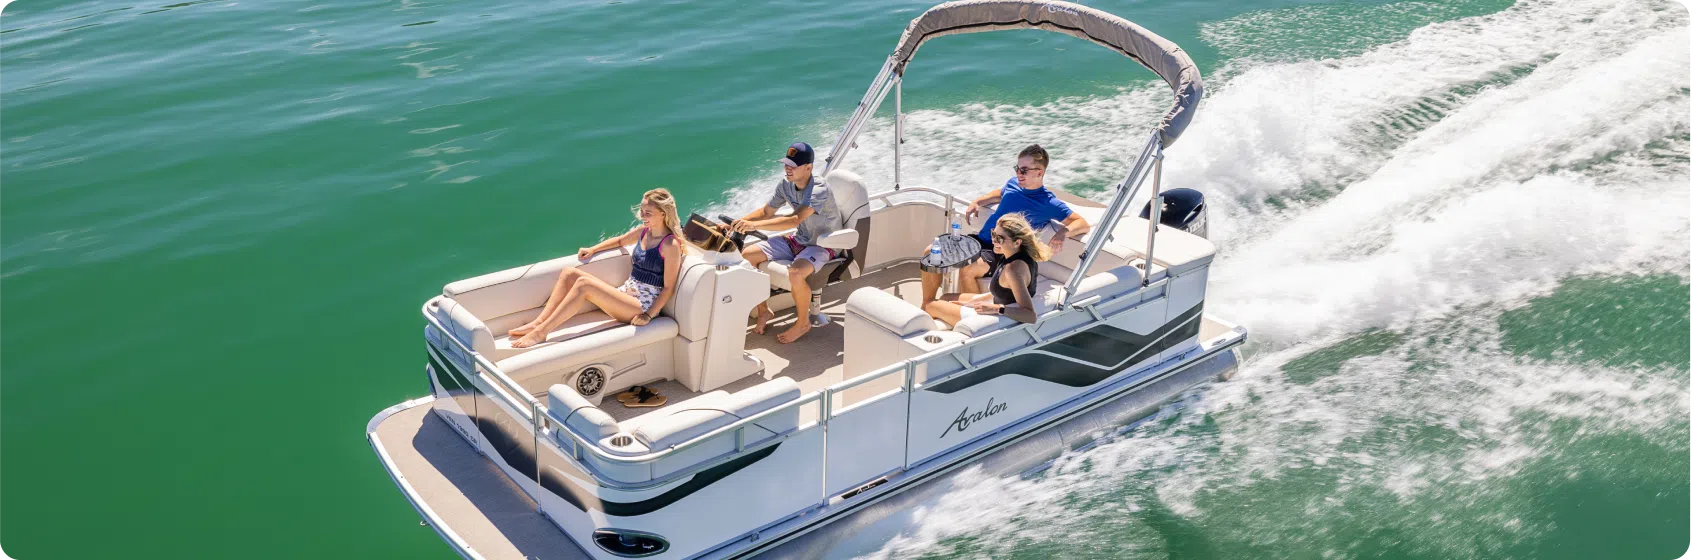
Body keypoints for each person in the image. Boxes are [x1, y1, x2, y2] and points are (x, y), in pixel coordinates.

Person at [508, 188, 688, 348]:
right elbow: (620, 241)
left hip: (641, 305)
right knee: (569, 273)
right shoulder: (643, 231)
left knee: (584, 284)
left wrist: (648, 315)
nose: (642, 216)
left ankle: (541, 333)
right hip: (625, 293)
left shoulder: (670, 244)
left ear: (663, 214)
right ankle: (537, 323)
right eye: (641, 211)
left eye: (648, 213)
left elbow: (668, 288)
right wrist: (593, 249)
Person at [920, 144, 1090, 305]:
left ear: (1039, 172)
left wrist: (1062, 233)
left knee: (968, 268)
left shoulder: (1049, 202)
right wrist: (978, 201)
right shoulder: (1013, 183)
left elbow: (1081, 223)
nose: (1019, 174)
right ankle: (927, 303)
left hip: (1003, 252)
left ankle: (974, 317)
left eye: (1024, 170)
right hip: (981, 240)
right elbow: (1000, 194)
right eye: (1017, 168)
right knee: (931, 252)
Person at [729, 141, 843, 344]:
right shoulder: (785, 185)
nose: (787, 168)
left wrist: (752, 226)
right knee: (747, 256)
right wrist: (738, 224)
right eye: (786, 163)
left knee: (796, 272)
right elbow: (766, 212)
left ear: (808, 168)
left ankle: (803, 323)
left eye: (793, 165)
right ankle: (764, 311)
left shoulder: (818, 188)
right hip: (799, 240)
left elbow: (794, 220)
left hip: (823, 243)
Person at [924, 213, 1049, 327]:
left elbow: (1030, 316)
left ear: (1017, 242)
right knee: (946, 297)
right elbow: (1005, 294)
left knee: (930, 305)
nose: (994, 241)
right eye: (993, 234)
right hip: (992, 306)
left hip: (989, 319)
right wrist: (971, 303)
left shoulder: (1013, 271)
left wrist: (995, 309)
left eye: (999, 238)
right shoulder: (1016, 255)